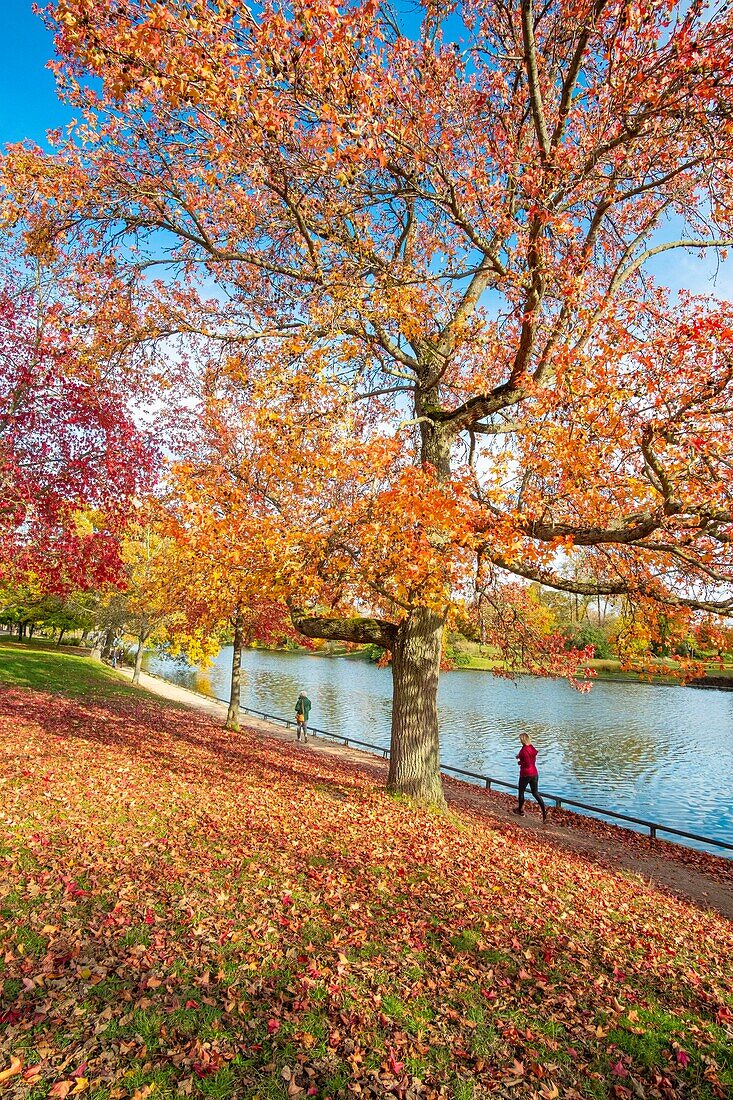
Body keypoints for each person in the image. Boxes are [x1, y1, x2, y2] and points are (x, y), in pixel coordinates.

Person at [512, 732, 549, 823]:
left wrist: (519, 762)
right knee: (535, 793)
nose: (520, 741)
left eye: (520, 740)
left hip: (526, 773)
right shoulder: (531, 748)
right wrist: (520, 757)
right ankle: (544, 812)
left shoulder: (524, 750)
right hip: (534, 773)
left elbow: (526, 762)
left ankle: (520, 810)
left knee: (521, 791)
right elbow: (532, 757)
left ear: (523, 740)